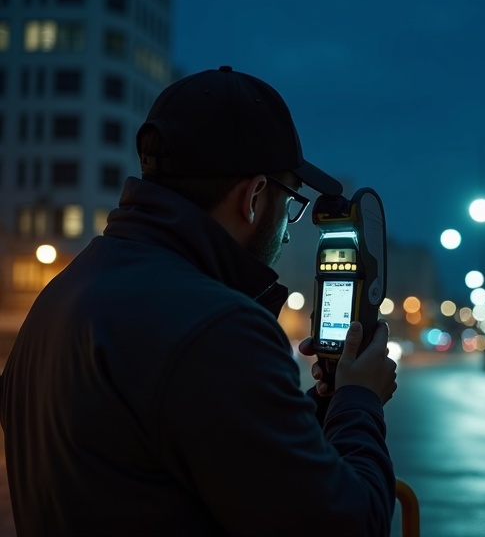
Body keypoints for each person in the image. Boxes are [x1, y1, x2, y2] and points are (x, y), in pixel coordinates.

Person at [0, 66, 398, 536]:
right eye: (289, 203)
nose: (289, 228)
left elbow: (172, 448)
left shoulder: (65, 293)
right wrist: (359, 400)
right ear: (253, 197)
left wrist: (320, 408)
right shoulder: (216, 329)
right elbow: (348, 523)